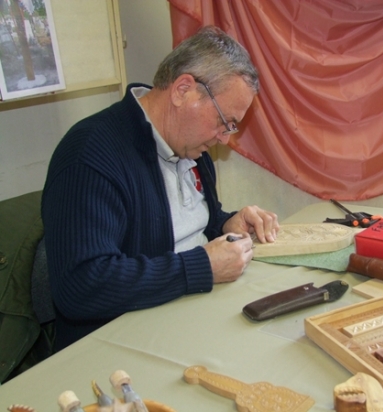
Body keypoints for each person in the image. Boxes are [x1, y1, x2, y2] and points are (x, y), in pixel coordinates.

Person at [41, 26, 279, 351]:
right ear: (183, 90)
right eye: (224, 122)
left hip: (188, 314)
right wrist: (201, 267)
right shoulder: (89, 154)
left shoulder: (191, 147)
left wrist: (226, 224)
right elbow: (81, 285)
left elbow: (189, 226)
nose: (224, 139)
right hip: (117, 343)